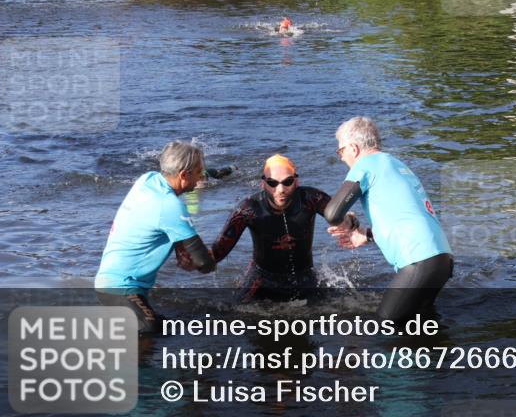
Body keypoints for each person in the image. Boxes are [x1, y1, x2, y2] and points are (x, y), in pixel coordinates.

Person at [325, 117, 453, 323]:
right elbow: (405, 218)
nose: (341, 157)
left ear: (354, 148)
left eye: (341, 151)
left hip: (419, 261)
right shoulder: (395, 164)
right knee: (421, 328)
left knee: (387, 326)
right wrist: (365, 235)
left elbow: (332, 213)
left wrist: (347, 221)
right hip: (442, 260)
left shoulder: (365, 165)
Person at [95, 141, 216, 334]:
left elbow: (156, 221)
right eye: (199, 172)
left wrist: (179, 246)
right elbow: (205, 264)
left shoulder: (148, 179)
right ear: (184, 175)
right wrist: (202, 261)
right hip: (121, 288)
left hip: (109, 283)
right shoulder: (169, 206)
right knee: (148, 330)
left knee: (169, 329)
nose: (201, 178)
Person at [201, 154, 352, 302]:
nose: (280, 189)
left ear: (296, 181)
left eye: (288, 182)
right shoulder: (249, 208)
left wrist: (350, 222)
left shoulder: (311, 198)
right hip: (262, 279)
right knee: (234, 312)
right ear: (263, 183)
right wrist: (195, 254)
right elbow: (218, 252)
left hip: (304, 276)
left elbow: (340, 215)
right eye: (272, 183)